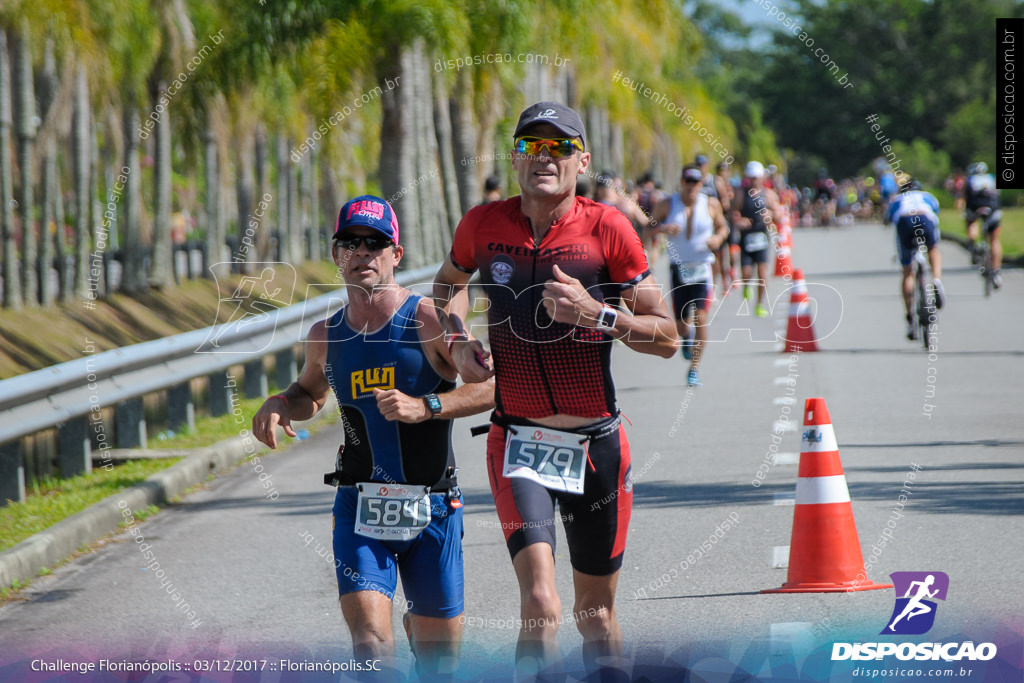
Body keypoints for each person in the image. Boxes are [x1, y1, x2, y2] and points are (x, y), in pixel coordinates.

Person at [432, 101, 677, 678]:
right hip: (518, 443)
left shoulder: (607, 228)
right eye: (530, 146)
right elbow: (446, 287)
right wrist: (459, 341)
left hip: (597, 446)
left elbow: (666, 336)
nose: (544, 158)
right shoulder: (482, 224)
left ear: (582, 160)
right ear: (515, 158)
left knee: (595, 615)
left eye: (559, 147)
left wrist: (598, 315)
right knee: (541, 604)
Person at [252, 195, 495, 678]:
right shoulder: (327, 335)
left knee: (439, 664)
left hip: (432, 506)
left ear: (395, 254)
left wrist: (426, 406)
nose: (363, 252)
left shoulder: (426, 320)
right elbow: (310, 393)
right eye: (351, 243)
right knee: (371, 648)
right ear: (337, 254)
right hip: (360, 507)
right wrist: (281, 403)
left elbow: (490, 388)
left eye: (375, 243)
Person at [651, 164, 730, 387]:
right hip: (679, 270)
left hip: (703, 268)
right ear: (682, 182)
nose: (692, 186)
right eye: (689, 181)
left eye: (697, 182)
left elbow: (724, 228)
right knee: (680, 325)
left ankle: (694, 369)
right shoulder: (668, 204)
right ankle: (687, 338)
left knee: (701, 319)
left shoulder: (711, 204)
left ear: (701, 183)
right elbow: (648, 228)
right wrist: (662, 228)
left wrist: (717, 239)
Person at [884, 178, 945, 340]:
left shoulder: (897, 200)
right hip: (925, 218)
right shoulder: (928, 196)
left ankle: (910, 316)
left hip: (904, 221)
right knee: (933, 249)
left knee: (907, 271)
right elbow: (936, 213)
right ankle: (937, 280)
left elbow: (888, 220)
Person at [732, 161, 782, 317]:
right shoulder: (741, 194)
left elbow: (779, 213)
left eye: (756, 177)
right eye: (751, 177)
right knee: (746, 272)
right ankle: (746, 285)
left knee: (762, 273)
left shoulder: (768, 194)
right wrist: (739, 221)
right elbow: (733, 213)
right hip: (747, 237)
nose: (754, 180)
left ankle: (759, 305)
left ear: (762, 177)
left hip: (761, 236)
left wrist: (771, 214)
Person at [964, 162, 1003, 287]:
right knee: (995, 240)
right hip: (992, 208)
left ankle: (972, 243)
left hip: (975, 207)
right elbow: (998, 195)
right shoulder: (992, 178)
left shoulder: (969, 180)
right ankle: (996, 271)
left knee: (971, 222)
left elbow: (965, 197)